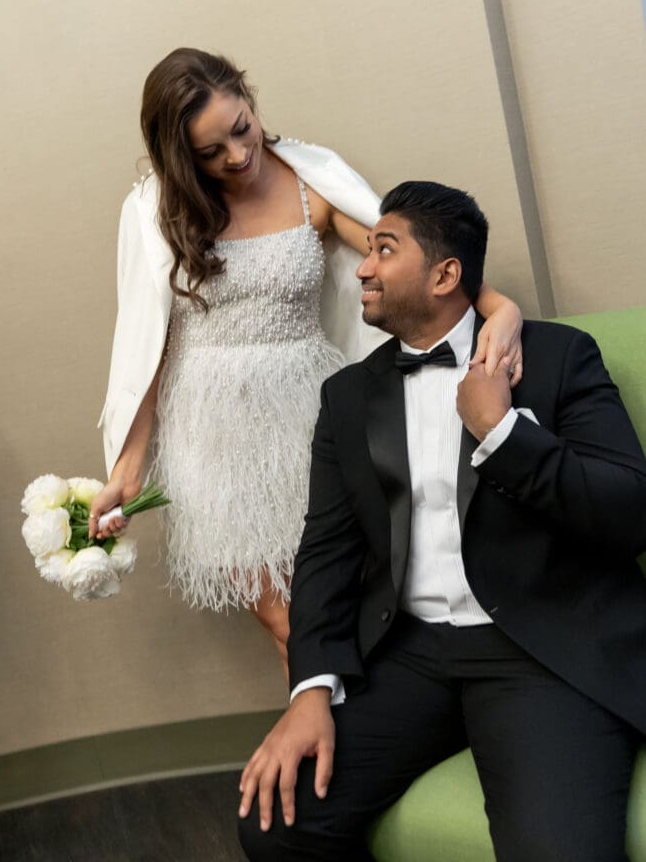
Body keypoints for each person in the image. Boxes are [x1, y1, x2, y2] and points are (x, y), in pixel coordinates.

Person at [238, 181, 646, 861]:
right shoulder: (346, 397)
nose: (362, 267)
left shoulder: (556, 359)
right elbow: (325, 552)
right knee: (274, 826)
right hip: (407, 653)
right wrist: (310, 687)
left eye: (383, 250)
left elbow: (630, 511)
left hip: (538, 648)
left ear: (444, 274)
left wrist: (502, 433)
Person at [89, 49, 523, 671]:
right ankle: (334, 752)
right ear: (181, 154)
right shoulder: (156, 210)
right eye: (211, 152)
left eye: (241, 129)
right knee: (287, 621)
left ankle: (351, 747)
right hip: (212, 438)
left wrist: (500, 308)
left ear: (248, 95)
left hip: (308, 415)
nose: (238, 156)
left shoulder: (310, 182)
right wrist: (127, 474)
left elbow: (410, 264)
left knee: (342, 602)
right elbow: (146, 343)